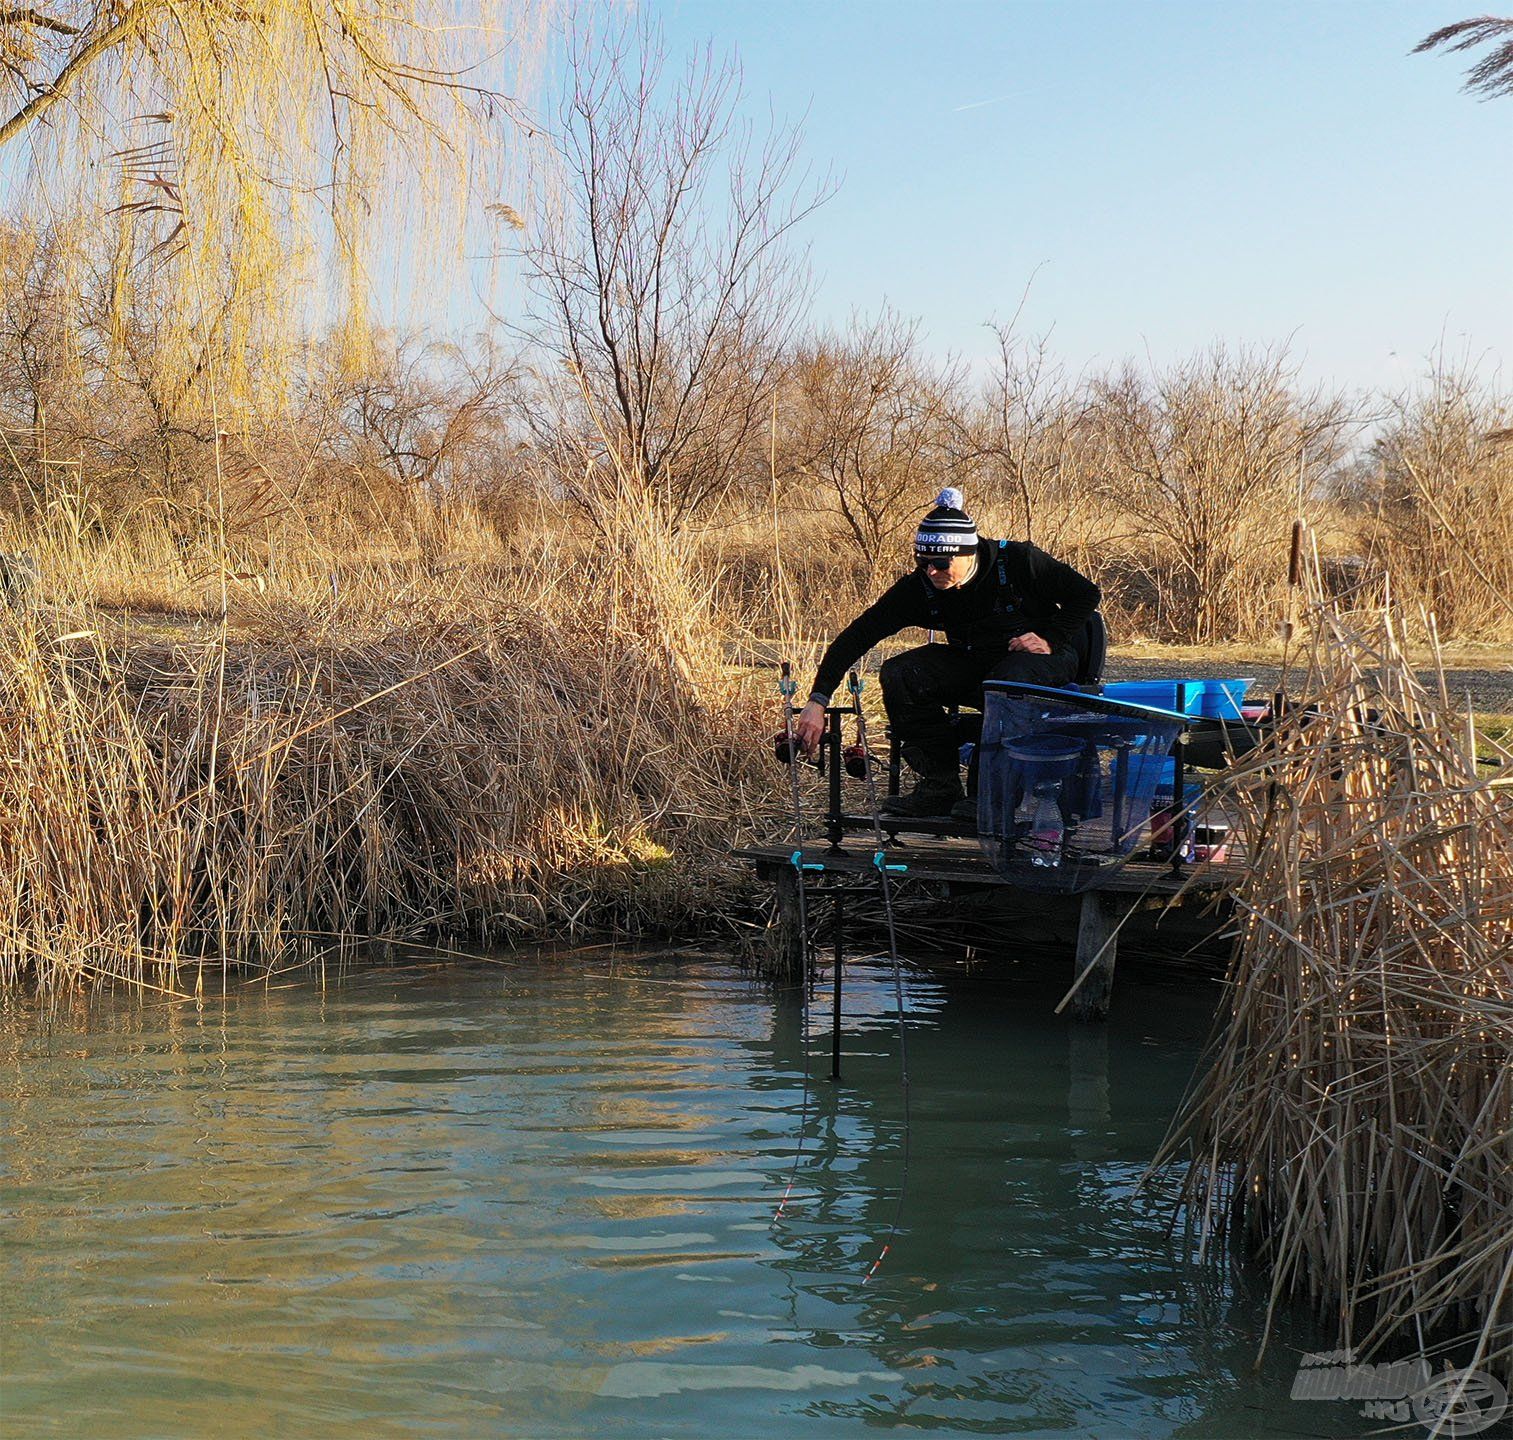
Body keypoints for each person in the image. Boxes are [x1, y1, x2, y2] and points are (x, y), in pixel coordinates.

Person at [794, 488, 1101, 818]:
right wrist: (818, 699)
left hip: (1044, 662)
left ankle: (991, 795)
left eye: (940, 563)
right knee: (902, 673)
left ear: (968, 554)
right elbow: (857, 636)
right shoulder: (920, 588)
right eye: (922, 562)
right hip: (977, 663)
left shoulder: (1019, 562)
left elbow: (1086, 594)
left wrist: (1049, 636)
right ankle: (939, 786)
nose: (931, 572)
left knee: (1005, 680)